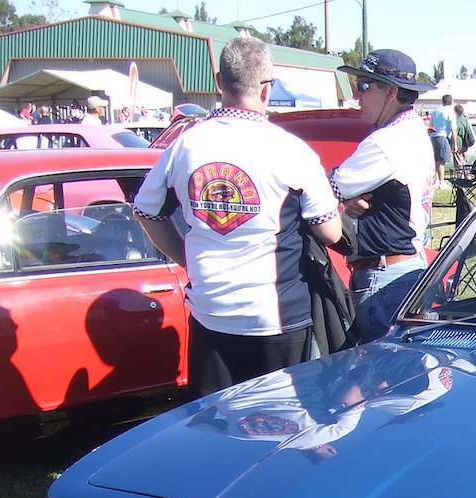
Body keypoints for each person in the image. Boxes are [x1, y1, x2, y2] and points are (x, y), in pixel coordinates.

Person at [134, 35, 342, 397]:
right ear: (267, 89)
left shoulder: (184, 145)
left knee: (219, 432)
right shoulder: (290, 150)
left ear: (219, 82)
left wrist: (187, 257)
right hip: (277, 317)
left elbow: (146, 212)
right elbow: (329, 231)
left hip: (210, 312)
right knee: (284, 430)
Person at [331, 49, 437, 343]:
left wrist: (341, 199)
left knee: (374, 377)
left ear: (390, 91)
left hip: (383, 277)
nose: (356, 94)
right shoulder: (414, 131)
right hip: (408, 267)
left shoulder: (385, 142)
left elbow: (322, 191)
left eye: (364, 85)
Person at [428, 94, 454, 190]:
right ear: (451, 102)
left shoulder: (435, 112)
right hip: (443, 136)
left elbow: (430, 127)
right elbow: (453, 129)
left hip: (433, 137)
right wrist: (454, 144)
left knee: (435, 160)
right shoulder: (450, 112)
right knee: (441, 160)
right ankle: (441, 181)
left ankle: (435, 181)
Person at [452, 102, 472, 172]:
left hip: (458, 142)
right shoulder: (465, 120)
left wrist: (455, 145)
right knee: (464, 162)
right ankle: (467, 178)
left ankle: (460, 179)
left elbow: (455, 132)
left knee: (458, 163)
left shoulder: (456, 121)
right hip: (465, 143)